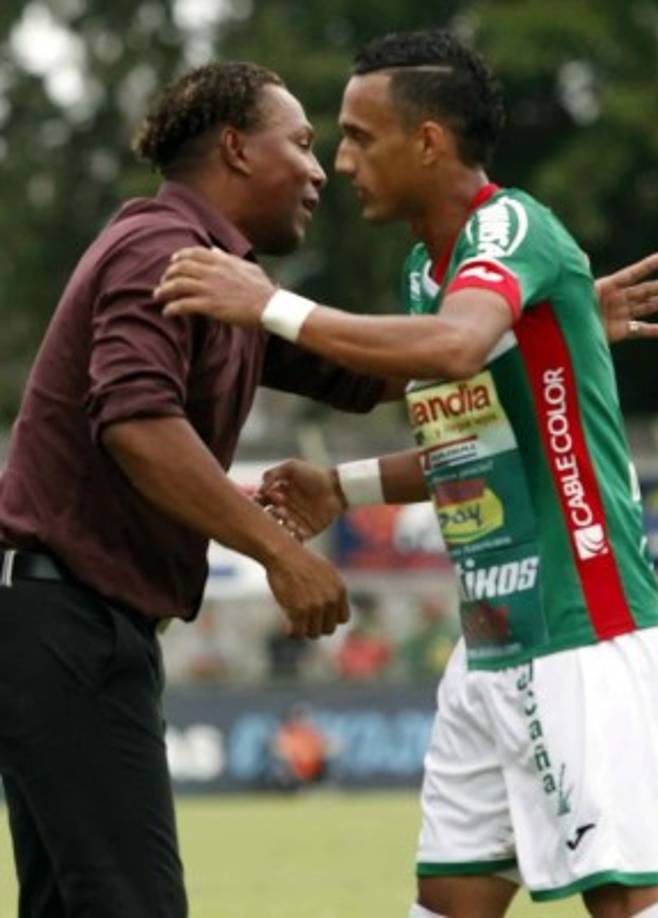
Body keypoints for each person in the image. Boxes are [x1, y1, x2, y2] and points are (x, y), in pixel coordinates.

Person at [155, 30, 658, 918]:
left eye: (361, 136)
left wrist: (271, 306)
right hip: (492, 641)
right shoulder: (425, 272)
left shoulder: (511, 226)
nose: (342, 159)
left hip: (582, 626)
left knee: (630, 905)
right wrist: (343, 487)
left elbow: (453, 349)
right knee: (451, 900)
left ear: (430, 142)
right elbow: (470, 441)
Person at [0, 61, 390, 917]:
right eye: (303, 143)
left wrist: (536, 325)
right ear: (236, 149)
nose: (320, 169)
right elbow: (135, 422)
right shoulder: (162, 251)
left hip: (68, 625)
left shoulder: (224, 279)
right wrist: (281, 554)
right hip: (64, 626)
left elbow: (362, 372)